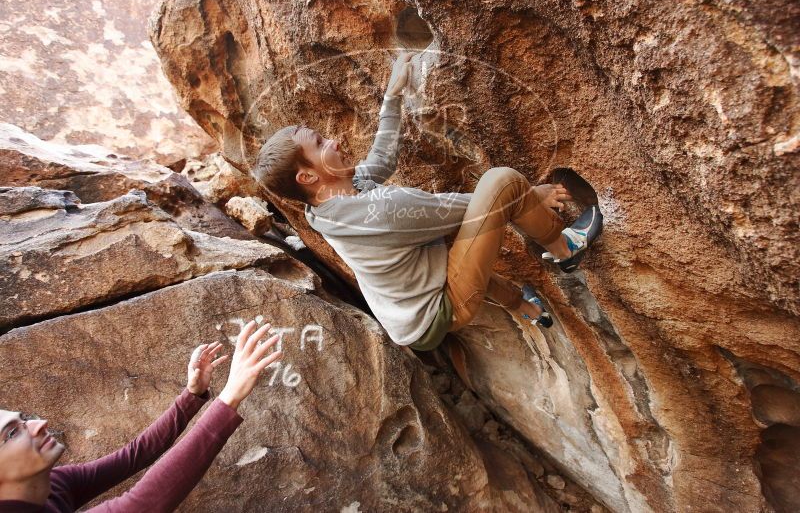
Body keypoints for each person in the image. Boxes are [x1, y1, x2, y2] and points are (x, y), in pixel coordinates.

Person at [253, 51, 602, 352]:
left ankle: (523, 306)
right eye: (319, 143)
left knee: (447, 246)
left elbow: (381, 161)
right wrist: (529, 196)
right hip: (437, 311)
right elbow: (476, 207)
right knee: (503, 181)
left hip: (410, 312)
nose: (334, 141)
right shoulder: (379, 213)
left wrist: (392, 96)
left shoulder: (329, 203)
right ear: (308, 177)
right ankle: (564, 247)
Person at [0, 319, 281, 512]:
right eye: (12, 433)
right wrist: (229, 397)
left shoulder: (53, 486)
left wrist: (192, 395)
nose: (38, 425)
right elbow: (143, 504)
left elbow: (134, 455)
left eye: (22, 420)